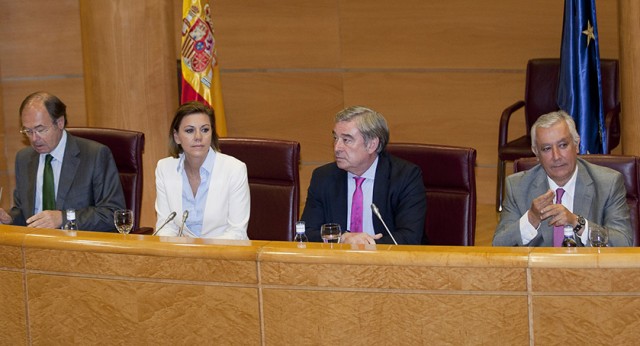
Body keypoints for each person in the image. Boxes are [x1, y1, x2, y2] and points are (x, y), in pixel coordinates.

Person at [493, 111, 633, 247]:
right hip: (540, 269)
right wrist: (531, 219)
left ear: (576, 145)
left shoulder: (608, 183)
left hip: (588, 270)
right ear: (536, 153)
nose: (556, 156)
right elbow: (499, 244)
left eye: (563, 145)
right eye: (547, 148)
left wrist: (577, 223)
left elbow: (624, 242)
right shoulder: (517, 186)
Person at [0, 91, 126, 231]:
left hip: (77, 247)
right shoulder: (24, 159)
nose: (34, 138)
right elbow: (24, 213)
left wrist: (63, 218)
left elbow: (113, 214)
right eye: (28, 131)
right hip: (35, 246)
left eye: (40, 129)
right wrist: (9, 219)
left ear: (60, 122)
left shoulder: (95, 155)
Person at [301, 106, 427, 245]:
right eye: (335, 138)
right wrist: (341, 238)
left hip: (387, 261)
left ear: (372, 145)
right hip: (337, 262)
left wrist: (364, 246)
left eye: (346, 140)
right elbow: (307, 232)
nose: (337, 147)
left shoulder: (405, 176)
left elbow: (410, 236)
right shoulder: (323, 177)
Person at [154, 101, 250, 239]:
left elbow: (237, 232)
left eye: (205, 130)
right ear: (177, 137)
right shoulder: (164, 169)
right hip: (181, 255)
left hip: (224, 255)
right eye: (189, 130)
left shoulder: (235, 170)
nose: (198, 137)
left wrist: (197, 249)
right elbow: (166, 226)